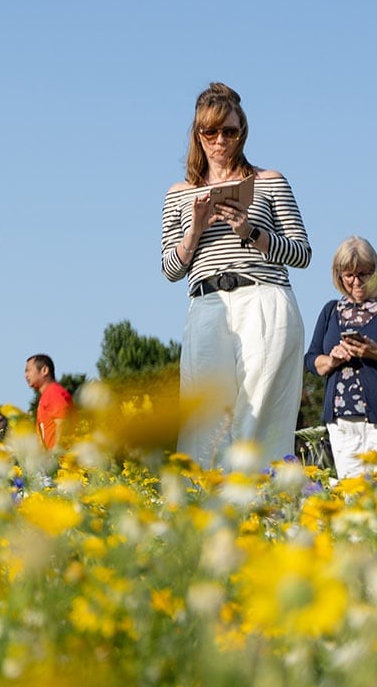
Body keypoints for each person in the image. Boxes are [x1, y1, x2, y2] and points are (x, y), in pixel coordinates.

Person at [160, 83, 310, 468]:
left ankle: (261, 501)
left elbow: (302, 253)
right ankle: (207, 508)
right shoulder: (178, 193)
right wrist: (193, 231)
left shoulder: (270, 180)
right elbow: (170, 270)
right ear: (198, 135)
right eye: (210, 132)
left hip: (265, 296)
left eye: (229, 131)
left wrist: (252, 233)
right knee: (205, 414)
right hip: (207, 303)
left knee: (260, 410)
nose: (220, 140)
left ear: (242, 132)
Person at [303, 237, 377, 479]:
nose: (356, 282)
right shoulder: (330, 311)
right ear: (339, 275)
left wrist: (371, 352)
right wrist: (332, 360)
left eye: (363, 274)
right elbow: (311, 359)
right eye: (349, 275)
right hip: (341, 419)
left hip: (374, 418)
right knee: (350, 492)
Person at [25, 354, 73, 449]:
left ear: (44, 370)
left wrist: (56, 453)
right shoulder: (47, 395)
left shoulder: (53, 392)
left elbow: (62, 423)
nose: (26, 375)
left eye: (28, 370)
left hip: (61, 460)